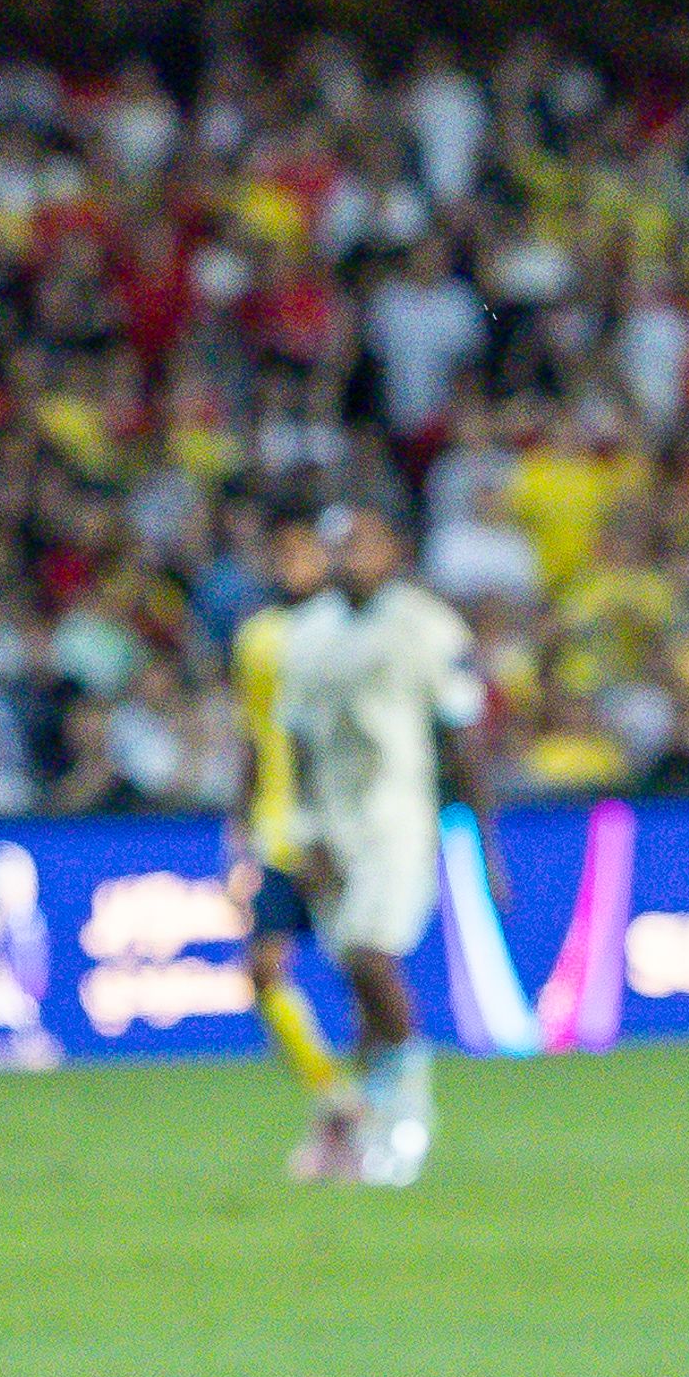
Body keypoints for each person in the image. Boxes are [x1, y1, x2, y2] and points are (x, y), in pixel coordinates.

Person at [275, 503, 496, 1188]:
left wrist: (485, 843)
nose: (348, 560)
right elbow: (298, 745)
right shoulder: (305, 635)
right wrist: (305, 832)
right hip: (334, 830)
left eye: (361, 546)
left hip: (400, 819)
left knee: (373, 961)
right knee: (354, 977)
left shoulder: (424, 626)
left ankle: (412, 1115)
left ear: (390, 551)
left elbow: (458, 736)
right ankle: (370, 1123)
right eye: (336, 548)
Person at [224, 506, 356, 1178]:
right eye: (286, 552)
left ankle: (366, 1109)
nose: (296, 564)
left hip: (350, 824)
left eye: (308, 551)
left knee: (362, 970)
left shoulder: (355, 632)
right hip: (282, 827)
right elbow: (255, 731)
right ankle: (338, 1098)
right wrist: (237, 818)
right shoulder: (259, 637)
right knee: (264, 970)